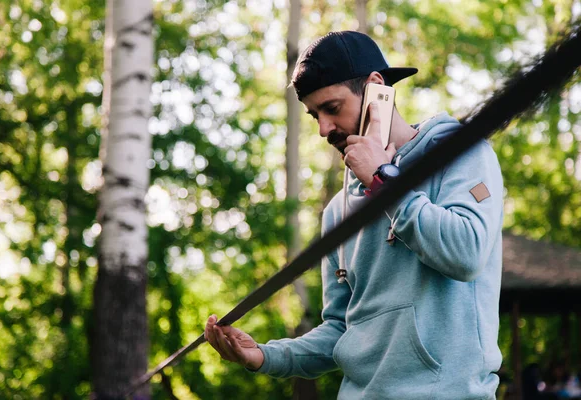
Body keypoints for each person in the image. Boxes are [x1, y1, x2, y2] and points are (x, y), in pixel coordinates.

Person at [205, 30, 504, 399]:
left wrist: (384, 181)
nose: (323, 129)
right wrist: (265, 356)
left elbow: (466, 253)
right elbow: (342, 330)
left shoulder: (460, 152)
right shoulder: (337, 213)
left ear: (377, 90)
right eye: (314, 115)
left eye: (331, 108)